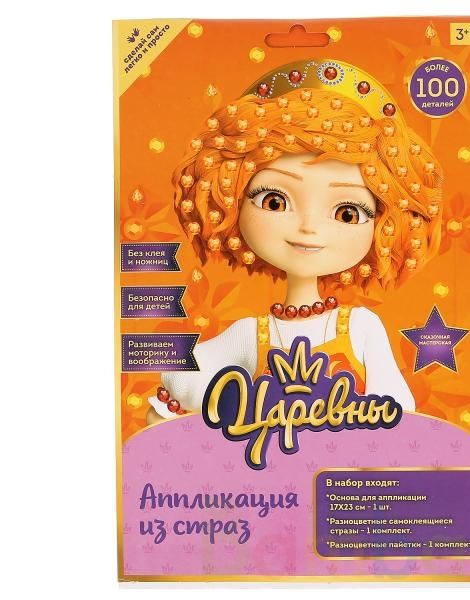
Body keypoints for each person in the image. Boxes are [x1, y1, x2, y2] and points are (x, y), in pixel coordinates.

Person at [146, 59, 443, 424]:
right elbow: (180, 381)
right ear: (231, 200)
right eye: (275, 201)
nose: (309, 227)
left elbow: (397, 411)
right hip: (264, 461)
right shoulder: (251, 335)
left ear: (386, 224)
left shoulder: (361, 327)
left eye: (347, 212)